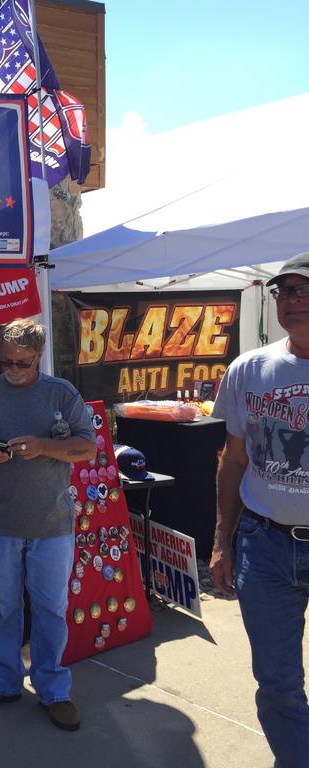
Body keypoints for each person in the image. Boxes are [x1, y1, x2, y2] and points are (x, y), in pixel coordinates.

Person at [0, 319, 96, 731]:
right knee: (4, 608)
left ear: (39, 357)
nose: (13, 369)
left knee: (50, 609)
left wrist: (44, 446)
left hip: (52, 524)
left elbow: (87, 447)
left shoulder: (61, 393)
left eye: (22, 362)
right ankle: (3, 680)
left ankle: (53, 689)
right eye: (6, 362)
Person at [210, 252, 309, 768]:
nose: (291, 300)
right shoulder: (249, 369)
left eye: (303, 289)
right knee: (277, 682)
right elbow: (234, 460)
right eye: (283, 291)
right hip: (265, 544)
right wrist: (221, 541)